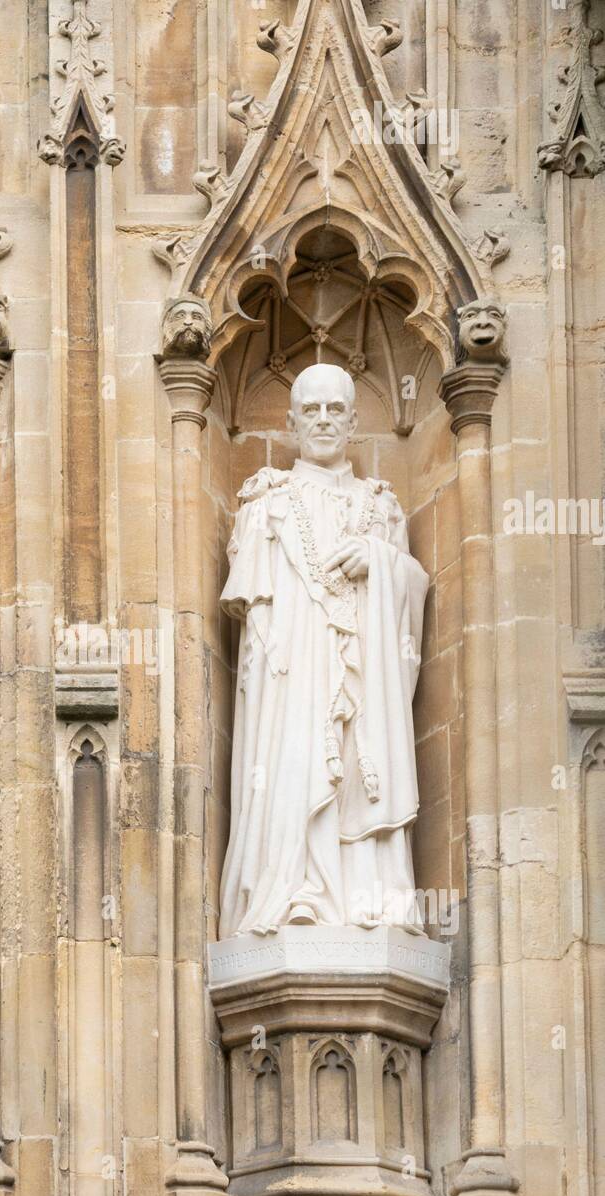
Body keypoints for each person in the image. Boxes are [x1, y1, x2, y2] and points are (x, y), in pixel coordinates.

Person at [219, 363, 429, 938]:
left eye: (335, 410)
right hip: (295, 678)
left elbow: (412, 595)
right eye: (310, 411)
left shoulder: (381, 508)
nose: (323, 420)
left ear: (356, 422)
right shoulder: (267, 502)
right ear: (290, 422)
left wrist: (380, 563)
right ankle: (292, 891)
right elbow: (254, 620)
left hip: (365, 673)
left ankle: (369, 896)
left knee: (364, 768)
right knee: (293, 767)